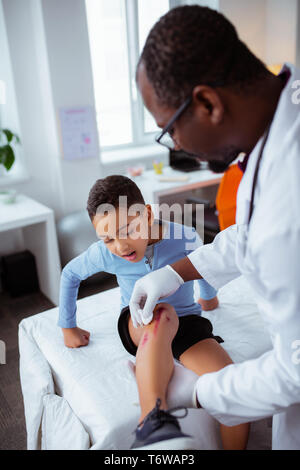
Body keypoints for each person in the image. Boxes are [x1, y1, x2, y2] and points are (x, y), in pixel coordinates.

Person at [130, 5, 300, 450]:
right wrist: (173, 273)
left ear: (208, 103)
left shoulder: (291, 197)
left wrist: (195, 391)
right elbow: (248, 236)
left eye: (169, 130)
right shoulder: (275, 129)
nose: (177, 145)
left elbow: (294, 371)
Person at [58, 174, 250, 450]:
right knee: (162, 312)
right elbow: (70, 274)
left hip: (186, 325)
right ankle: (151, 420)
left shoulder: (185, 237)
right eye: (108, 238)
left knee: (235, 392)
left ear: (147, 215)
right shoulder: (105, 253)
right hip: (140, 321)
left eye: (127, 230)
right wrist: (68, 326)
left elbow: (204, 268)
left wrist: (208, 298)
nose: (120, 246)